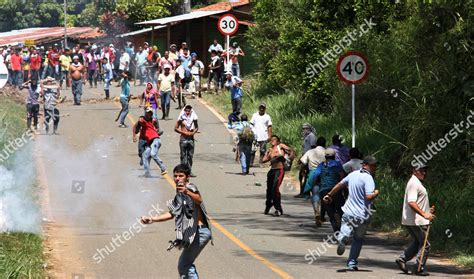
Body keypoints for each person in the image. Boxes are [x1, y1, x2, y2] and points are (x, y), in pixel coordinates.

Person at [140, 164, 212, 278]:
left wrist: (186, 192)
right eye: (176, 176)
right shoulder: (179, 194)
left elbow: (199, 199)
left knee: (184, 265)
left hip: (199, 233)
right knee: (184, 265)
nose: (177, 178)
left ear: (187, 177)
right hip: (193, 233)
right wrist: (152, 219)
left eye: (181, 176)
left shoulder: (190, 188)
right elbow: (171, 213)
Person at [322, 156, 380, 271]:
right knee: (358, 239)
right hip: (363, 215)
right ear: (364, 165)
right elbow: (369, 196)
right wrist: (376, 193)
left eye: (375, 166)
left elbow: (340, 184)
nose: (374, 168)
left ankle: (343, 238)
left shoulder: (353, 175)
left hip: (349, 212)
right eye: (372, 165)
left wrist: (329, 194)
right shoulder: (368, 178)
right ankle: (351, 263)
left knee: (345, 229)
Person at [396, 164, 434, 276]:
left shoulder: (416, 182)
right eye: (421, 170)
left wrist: (427, 211)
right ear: (414, 171)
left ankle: (402, 259)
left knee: (418, 242)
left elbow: (417, 202)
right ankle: (418, 268)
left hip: (414, 219)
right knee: (425, 244)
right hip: (416, 221)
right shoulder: (413, 183)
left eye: (425, 170)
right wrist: (424, 214)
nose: (424, 173)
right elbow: (411, 202)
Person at [307, 148, 345, 232]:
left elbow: (316, 176)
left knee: (330, 212)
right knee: (340, 210)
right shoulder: (338, 164)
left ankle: (336, 231)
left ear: (325, 156)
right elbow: (342, 175)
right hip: (336, 190)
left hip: (324, 190)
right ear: (334, 156)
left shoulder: (321, 165)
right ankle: (343, 229)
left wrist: (315, 184)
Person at [262, 135, 294, 216]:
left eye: (274, 139)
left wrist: (289, 157)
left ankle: (278, 208)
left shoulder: (281, 146)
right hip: (272, 171)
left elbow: (291, 150)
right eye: (271, 140)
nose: (272, 141)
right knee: (269, 190)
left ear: (278, 141)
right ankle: (268, 204)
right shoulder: (270, 150)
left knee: (275, 189)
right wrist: (267, 153)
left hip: (279, 170)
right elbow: (264, 160)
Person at [133, 106, 167, 177]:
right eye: (148, 113)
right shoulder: (143, 120)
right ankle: (147, 173)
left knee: (153, 154)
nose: (149, 114)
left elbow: (158, 129)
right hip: (150, 142)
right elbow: (137, 124)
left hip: (155, 140)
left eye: (151, 113)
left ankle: (163, 168)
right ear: (146, 113)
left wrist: (158, 132)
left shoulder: (152, 121)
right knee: (144, 156)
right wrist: (134, 135)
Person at [301, 136, 327, 226]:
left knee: (315, 193)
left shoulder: (310, 152)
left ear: (316, 143)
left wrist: (303, 172)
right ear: (325, 144)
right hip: (325, 174)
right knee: (325, 194)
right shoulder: (327, 152)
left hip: (313, 174)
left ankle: (317, 212)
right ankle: (323, 214)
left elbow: (303, 162)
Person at [175, 105, 198, 177]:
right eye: (186, 111)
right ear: (184, 111)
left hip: (191, 139)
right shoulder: (181, 118)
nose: (187, 112)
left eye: (189, 111)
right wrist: (184, 132)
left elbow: (197, 127)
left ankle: (189, 171)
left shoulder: (193, 118)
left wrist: (192, 132)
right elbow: (176, 128)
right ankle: (183, 171)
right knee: (183, 155)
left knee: (190, 156)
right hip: (183, 138)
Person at [295, 123, 317, 198]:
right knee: (302, 175)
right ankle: (303, 191)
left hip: (308, 159)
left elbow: (312, 147)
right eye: (303, 128)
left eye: (306, 128)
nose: (304, 130)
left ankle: (305, 192)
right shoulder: (306, 136)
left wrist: (308, 158)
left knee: (305, 175)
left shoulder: (311, 136)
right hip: (304, 158)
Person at [250, 103, 273, 167]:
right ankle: (251, 163)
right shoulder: (255, 115)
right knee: (252, 150)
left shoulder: (267, 116)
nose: (262, 109)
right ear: (258, 108)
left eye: (263, 108)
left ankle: (261, 163)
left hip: (264, 136)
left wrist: (270, 136)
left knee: (262, 151)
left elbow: (269, 126)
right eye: (260, 107)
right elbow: (251, 124)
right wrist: (250, 132)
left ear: (265, 109)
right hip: (255, 136)